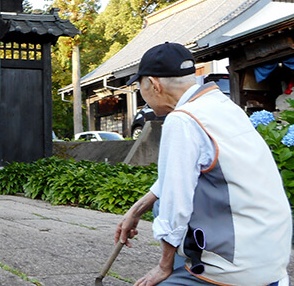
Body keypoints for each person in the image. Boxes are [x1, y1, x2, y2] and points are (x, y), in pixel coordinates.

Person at [115, 42, 292, 286]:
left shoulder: (182, 119)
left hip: (237, 266)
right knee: (157, 207)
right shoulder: (221, 104)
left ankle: (195, 273)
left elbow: (175, 202)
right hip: (272, 258)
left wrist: (163, 266)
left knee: (166, 214)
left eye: (139, 87)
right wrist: (136, 210)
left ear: (154, 84)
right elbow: (176, 176)